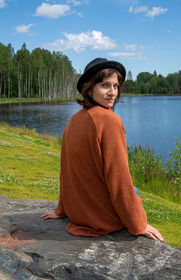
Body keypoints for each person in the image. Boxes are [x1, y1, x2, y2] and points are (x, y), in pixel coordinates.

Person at [42, 58, 163, 242]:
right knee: (134, 191)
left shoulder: (74, 120)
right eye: (105, 85)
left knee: (134, 190)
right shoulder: (110, 121)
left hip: (78, 213)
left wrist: (62, 210)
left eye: (115, 86)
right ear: (89, 88)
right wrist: (138, 224)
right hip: (100, 218)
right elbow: (118, 177)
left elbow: (66, 171)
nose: (112, 92)